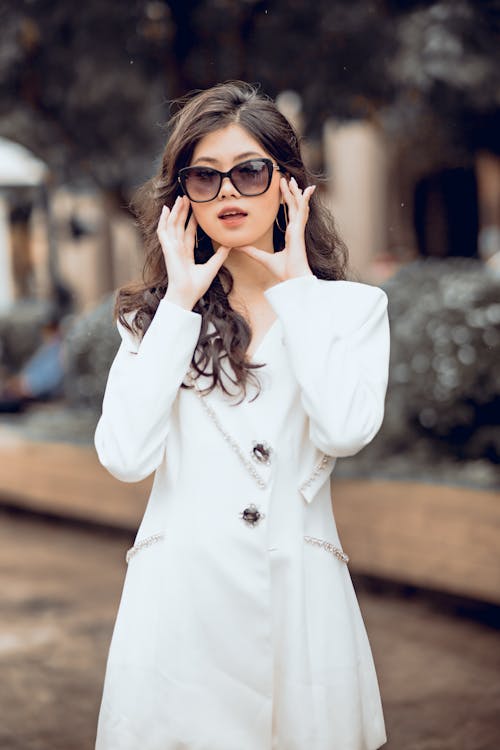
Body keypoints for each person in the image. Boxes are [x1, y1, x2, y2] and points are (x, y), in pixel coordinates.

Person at [93, 80, 390, 750]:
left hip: (300, 611)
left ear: (287, 186)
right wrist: (178, 306)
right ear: (182, 198)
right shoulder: (154, 322)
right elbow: (124, 455)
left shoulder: (350, 311)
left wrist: (300, 296)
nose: (228, 192)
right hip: (181, 613)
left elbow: (345, 430)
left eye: (249, 172)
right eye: (205, 177)